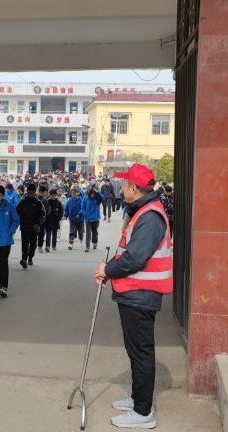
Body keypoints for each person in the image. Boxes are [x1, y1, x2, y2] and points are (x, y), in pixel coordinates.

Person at [94, 164, 172, 429]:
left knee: (141, 353)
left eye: (125, 184)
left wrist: (108, 269)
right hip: (133, 293)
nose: (122, 187)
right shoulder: (141, 211)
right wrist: (110, 271)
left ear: (135, 189)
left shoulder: (150, 216)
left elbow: (135, 258)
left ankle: (143, 412)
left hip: (141, 294)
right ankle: (139, 399)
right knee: (135, 350)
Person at [16, 183, 45, 269]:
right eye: (29, 193)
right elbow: (16, 212)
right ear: (27, 192)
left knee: (33, 245)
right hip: (24, 227)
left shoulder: (38, 203)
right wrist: (19, 220)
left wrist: (38, 223)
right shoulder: (23, 202)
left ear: (35, 192)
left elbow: (43, 214)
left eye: (32, 193)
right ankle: (24, 259)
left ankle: (30, 258)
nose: (31, 195)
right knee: (25, 244)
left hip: (34, 227)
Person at [81, 186, 104, 252]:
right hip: (88, 219)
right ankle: (87, 246)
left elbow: (103, 198)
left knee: (95, 232)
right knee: (88, 233)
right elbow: (82, 208)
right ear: (89, 193)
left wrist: (98, 192)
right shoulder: (85, 198)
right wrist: (85, 214)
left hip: (95, 219)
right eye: (91, 194)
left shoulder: (97, 199)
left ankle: (94, 242)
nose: (92, 195)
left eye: (94, 194)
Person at [36, 185, 50, 252]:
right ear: (44, 192)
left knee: (35, 233)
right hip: (42, 219)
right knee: (41, 233)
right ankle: (40, 246)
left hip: (34, 219)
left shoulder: (35, 198)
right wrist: (46, 215)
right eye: (45, 192)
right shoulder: (45, 200)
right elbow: (48, 210)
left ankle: (35, 245)